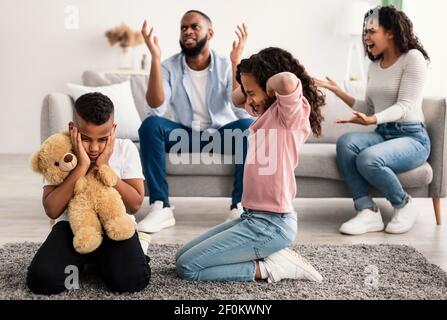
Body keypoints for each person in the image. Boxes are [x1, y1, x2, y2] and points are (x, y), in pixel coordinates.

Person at [175, 47, 325, 283]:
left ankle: (271, 269)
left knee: (188, 267)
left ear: (270, 89)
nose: (249, 99)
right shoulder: (265, 112)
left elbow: (286, 80)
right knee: (181, 256)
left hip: (272, 224)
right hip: (252, 217)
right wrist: (249, 83)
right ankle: (268, 255)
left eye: (253, 93)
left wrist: (264, 83)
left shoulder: (290, 115)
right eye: (249, 93)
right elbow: (235, 97)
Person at [315, 5, 431, 235]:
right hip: (384, 133)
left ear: (390, 31)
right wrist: (339, 91)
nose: (365, 36)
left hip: (412, 136)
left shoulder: (413, 58)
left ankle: (403, 204)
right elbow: (368, 107)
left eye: (371, 31)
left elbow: (404, 105)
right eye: (364, 32)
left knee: (368, 158)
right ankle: (367, 210)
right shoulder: (374, 65)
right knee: (346, 143)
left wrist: (372, 119)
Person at [137, 10, 253, 234]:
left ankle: (239, 206)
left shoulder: (226, 65)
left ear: (209, 32)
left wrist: (237, 62)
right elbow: (155, 107)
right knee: (150, 126)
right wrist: (155, 58)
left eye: (194, 27)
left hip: (220, 136)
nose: (187, 31)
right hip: (185, 136)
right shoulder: (169, 66)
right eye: (183, 28)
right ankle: (160, 206)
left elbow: (242, 110)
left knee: (248, 127)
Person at [26, 92, 151, 295]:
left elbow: (134, 205)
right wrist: (81, 166)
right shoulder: (59, 150)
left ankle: (104, 259)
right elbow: (52, 209)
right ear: (72, 129)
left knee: (131, 281)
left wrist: (105, 166)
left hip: (114, 224)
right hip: (73, 226)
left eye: (102, 139)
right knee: (42, 280)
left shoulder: (126, 148)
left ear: (113, 130)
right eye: (85, 139)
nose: (94, 148)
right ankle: (93, 260)